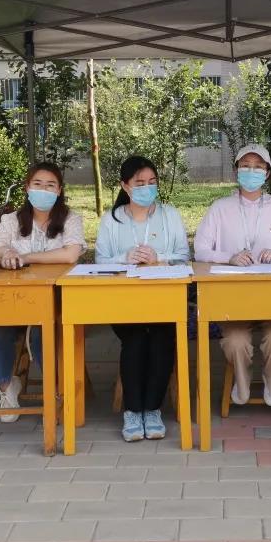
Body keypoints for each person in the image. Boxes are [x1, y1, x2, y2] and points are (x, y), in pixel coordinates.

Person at [194, 144, 271, 406]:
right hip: (234, 298)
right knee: (236, 340)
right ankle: (241, 381)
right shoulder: (220, 208)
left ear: (267, 173)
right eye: (245, 166)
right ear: (236, 171)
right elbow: (200, 250)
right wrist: (228, 257)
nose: (251, 171)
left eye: (258, 167)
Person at [0, 162, 85, 422]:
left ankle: (55, 390)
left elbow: (70, 254)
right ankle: (6, 387)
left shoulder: (70, 219)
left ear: (59, 190)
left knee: (41, 331)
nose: (43, 190)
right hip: (16, 299)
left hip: (57, 300)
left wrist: (25, 257)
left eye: (50, 185)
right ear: (27, 188)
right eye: (38, 184)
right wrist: (5, 253)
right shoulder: (12, 221)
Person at [95, 155, 189, 442]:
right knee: (135, 339)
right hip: (124, 302)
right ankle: (133, 411)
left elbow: (184, 256)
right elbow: (100, 261)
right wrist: (124, 258)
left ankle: (153, 409)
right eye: (139, 183)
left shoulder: (169, 215)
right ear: (125, 186)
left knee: (161, 338)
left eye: (152, 182)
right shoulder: (112, 220)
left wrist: (159, 257)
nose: (147, 188)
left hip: (164, 300)